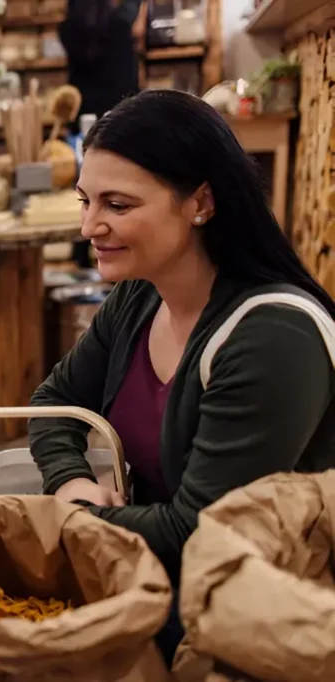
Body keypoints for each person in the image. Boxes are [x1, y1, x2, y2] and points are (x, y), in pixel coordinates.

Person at [28, 90, 335, 662]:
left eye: (117, 205)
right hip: (156, 567)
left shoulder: (273, 338)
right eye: (85, 200)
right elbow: (54, 402)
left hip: (250, 606)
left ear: (201, 202)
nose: (89, 226)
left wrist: (80, 520)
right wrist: (71, 482)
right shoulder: (139, 296)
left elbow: (198, 529)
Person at [58, 0, 142, 268]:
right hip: (120, 111)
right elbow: (133, 17)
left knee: (86, 188)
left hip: (83, 113)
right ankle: (122, 251)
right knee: (122, 187)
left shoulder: (71, 27)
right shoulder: (120, 21)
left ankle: (82, 254)